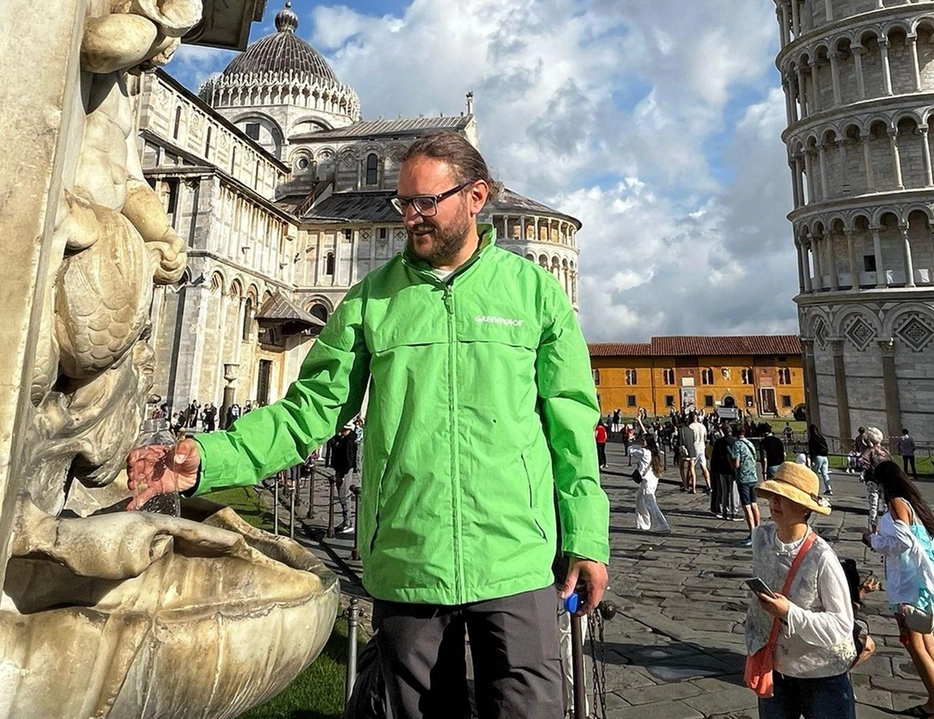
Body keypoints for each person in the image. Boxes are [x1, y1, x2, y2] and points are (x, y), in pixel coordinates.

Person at [126, 132, 610, 719]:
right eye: (404, 203)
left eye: (427, 201)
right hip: (409, 558)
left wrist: (586, 537)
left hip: (516, 556)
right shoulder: (369, 301)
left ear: (477, 196)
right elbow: (308, 412)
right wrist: (208, 458)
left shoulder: (534, 293)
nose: (413, 216)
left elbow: (571, 424)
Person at [745, 462, 856, 719]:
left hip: (820, 673)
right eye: (773, 495)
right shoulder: (762, 537)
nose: (775, 502)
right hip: (775, 666)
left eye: (784, 497)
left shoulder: (822, 557)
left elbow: (841, 625)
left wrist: (790, 612)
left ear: (805, 508)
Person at [864, 462, 934, 719]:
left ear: (882, 484)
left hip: (909, 584)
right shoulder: (915, 503)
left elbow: (903, 542)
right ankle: (933, 702)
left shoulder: (896, 503)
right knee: (928, 642)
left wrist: (873, 540)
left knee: (914, 644)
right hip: (924, 581)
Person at [631, 433, 670, 533]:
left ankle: (662, 524)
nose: (641, 441)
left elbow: (631, 450)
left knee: (650, 503)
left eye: (643, 440)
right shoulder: (654, 450)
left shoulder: (644, 452)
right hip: (653, 478)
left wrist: (630, 443)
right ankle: (643, 523)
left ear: (648, 442)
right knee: (640, 500)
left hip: (647, 480)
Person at [730, 425, 762, 545]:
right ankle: (758, 530)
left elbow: (736, 464)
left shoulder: (737, 445)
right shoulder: (750, 443)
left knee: (746, 506)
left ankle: (752, 533)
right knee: (754, 504)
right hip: (753, 476)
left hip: (743, 478)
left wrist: (731, 462)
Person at [859, 427, 892, 529]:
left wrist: (866, 470)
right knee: (886, 505)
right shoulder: (885, 452)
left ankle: (874, 530)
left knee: (873, 505)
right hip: (885, 481)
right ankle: (888, 527)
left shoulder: (869, 451)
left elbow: (861, 461)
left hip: (872, 480)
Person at [330, 422, 360, 533]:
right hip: (340, 470)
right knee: (342, 494)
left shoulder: (349, 441)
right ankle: (346, 520)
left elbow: (348, 459)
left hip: (345, 471)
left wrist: (342, 474)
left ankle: (348, 521)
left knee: (344, 494)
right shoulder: (343, 438)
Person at [709, 423, 736, 520]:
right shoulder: (734, 441)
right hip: (732, 469)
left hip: (721, 469)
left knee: (723, 490)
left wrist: (713, 469)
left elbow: (714, 457)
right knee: (733, 492)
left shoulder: (719, 442)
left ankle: (724, 509)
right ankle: (734, 510)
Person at [676, 414, 708, 494]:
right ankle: (702, 486)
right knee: (700, 468)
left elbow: (683, 441)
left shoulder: (689, 427)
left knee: (684, 468)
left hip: (691, 448)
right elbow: (704, 437)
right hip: (699, 448)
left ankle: (685, 484)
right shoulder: (702, 426)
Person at [807, 425, 832, 495]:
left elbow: (812, 450)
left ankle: (813, 489)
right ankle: (828, 488)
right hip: (825, 457)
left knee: (814, 474)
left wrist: (812, 460)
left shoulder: (812, 439)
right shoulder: (821, 437)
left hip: (818, 457)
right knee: (825, 474)